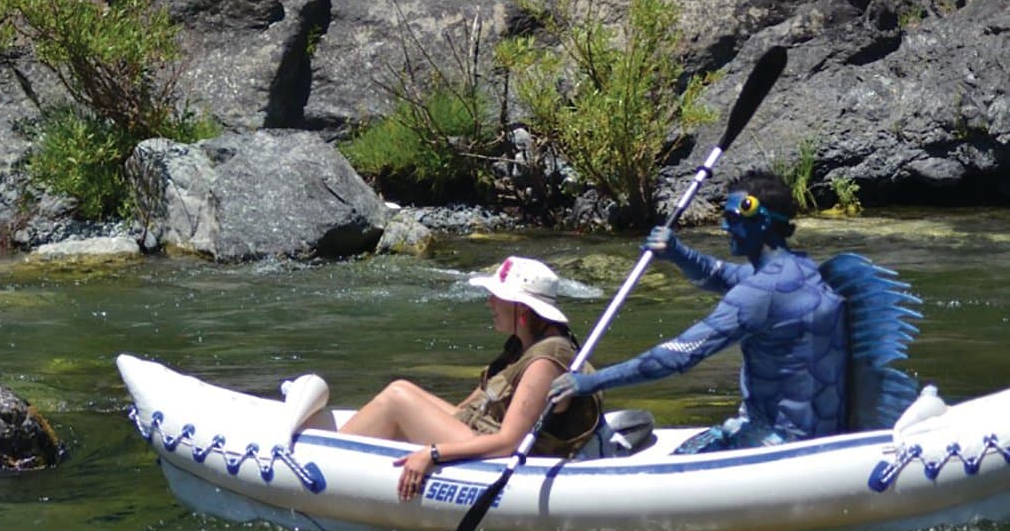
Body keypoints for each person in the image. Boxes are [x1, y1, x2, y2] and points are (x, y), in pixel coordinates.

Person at [546, 170, 847, 453]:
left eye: (732, 217)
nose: (724, 226)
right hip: (821, 433)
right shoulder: (803, 271)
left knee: (676, 464)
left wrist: (590, 382)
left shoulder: (759, 294)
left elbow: (677, 356)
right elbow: (721, 276)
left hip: (773, 441)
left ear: (763, 222)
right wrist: (679, 252)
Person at [336, 255, 603, 501]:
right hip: (477, 431)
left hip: (501, 455)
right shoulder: (521, 346)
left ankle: (326, 462)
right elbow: (467, 408)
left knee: (397, 400)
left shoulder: (546, 360)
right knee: (401, 387)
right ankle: (338, 453)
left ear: (521, 309)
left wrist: (433, 452)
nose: (490, 302)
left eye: (497, 297)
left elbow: (509, 442)